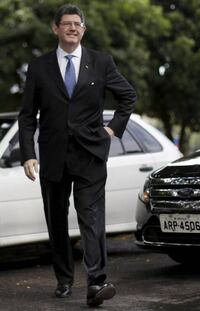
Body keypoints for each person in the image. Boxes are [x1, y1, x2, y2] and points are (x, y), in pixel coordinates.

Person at [18, 4, 136, 307]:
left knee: (92, 219)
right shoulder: (39, 66)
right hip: (53, 157)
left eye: (77, 24)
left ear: (83, 29)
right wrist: (28, 154)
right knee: (56, 219)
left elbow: (128, 96)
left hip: (90, 154)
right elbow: (28, 115)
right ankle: (63, 278)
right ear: (55, 29)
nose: (73, 28)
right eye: (67, 24)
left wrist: (112, 131)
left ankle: (97, 282)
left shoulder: (101, 62)